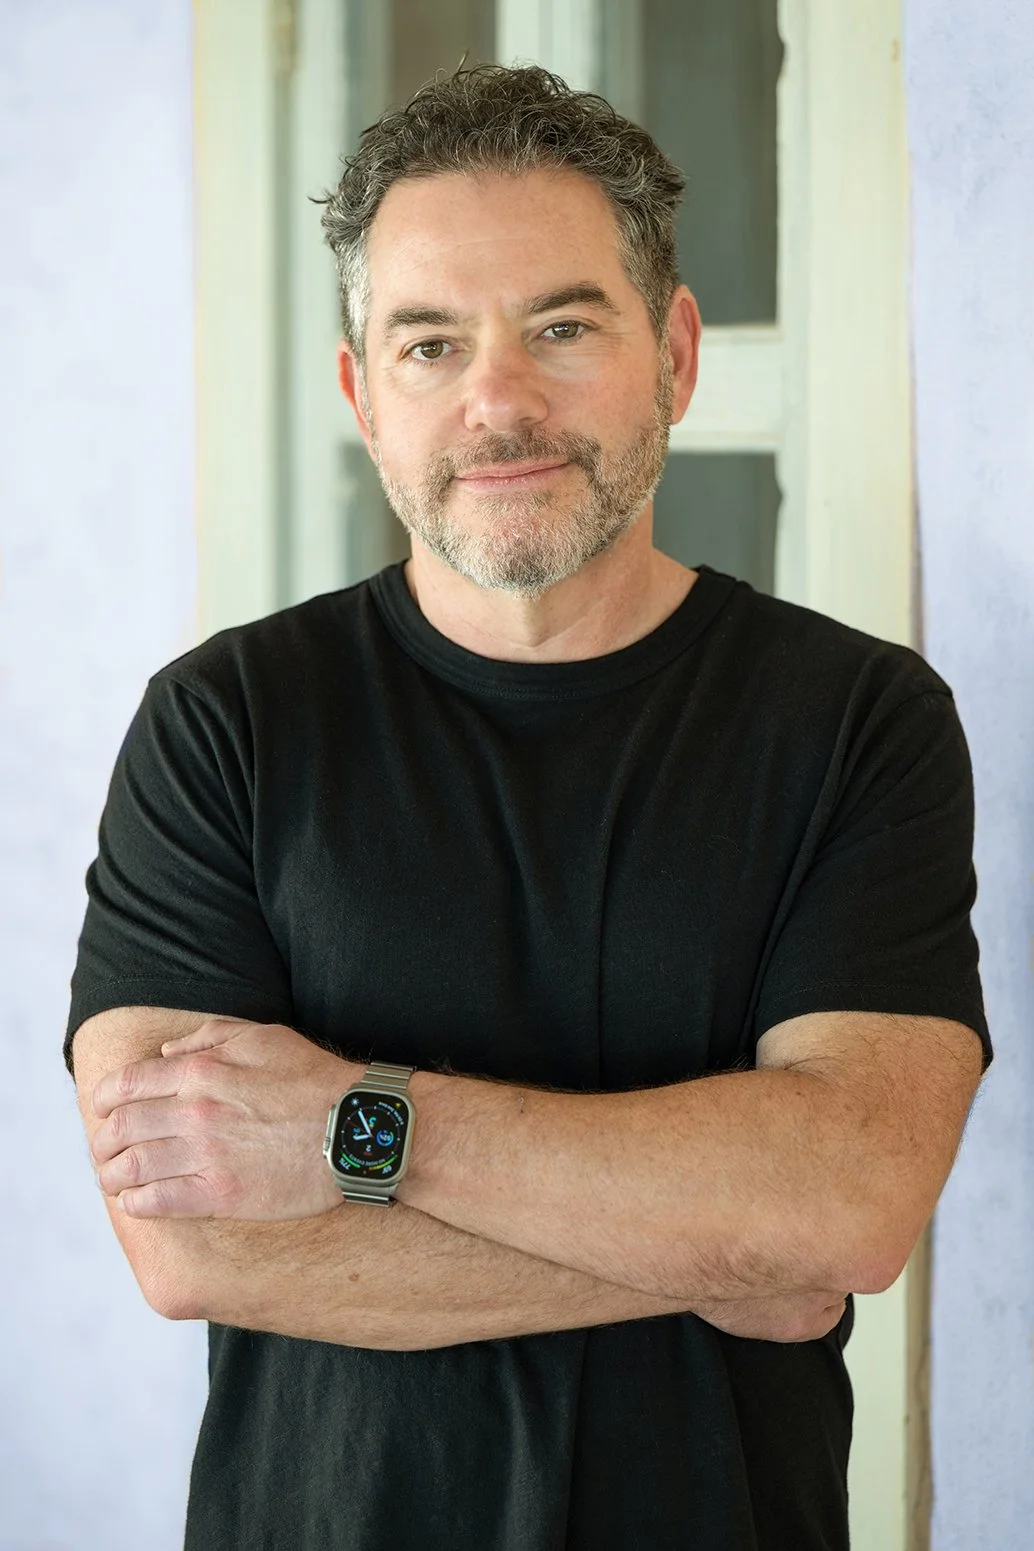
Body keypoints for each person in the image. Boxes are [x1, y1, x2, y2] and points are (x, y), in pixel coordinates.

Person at [67, 65, 989, 1551]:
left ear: (673, 356)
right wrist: (720, 1248)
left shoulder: (852, 720)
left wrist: (359, 1131)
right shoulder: (225, 724)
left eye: (561, 327)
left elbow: (846, 1201)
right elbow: (188, 1238)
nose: (497, 400)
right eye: (430, 343)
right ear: (365, 391)